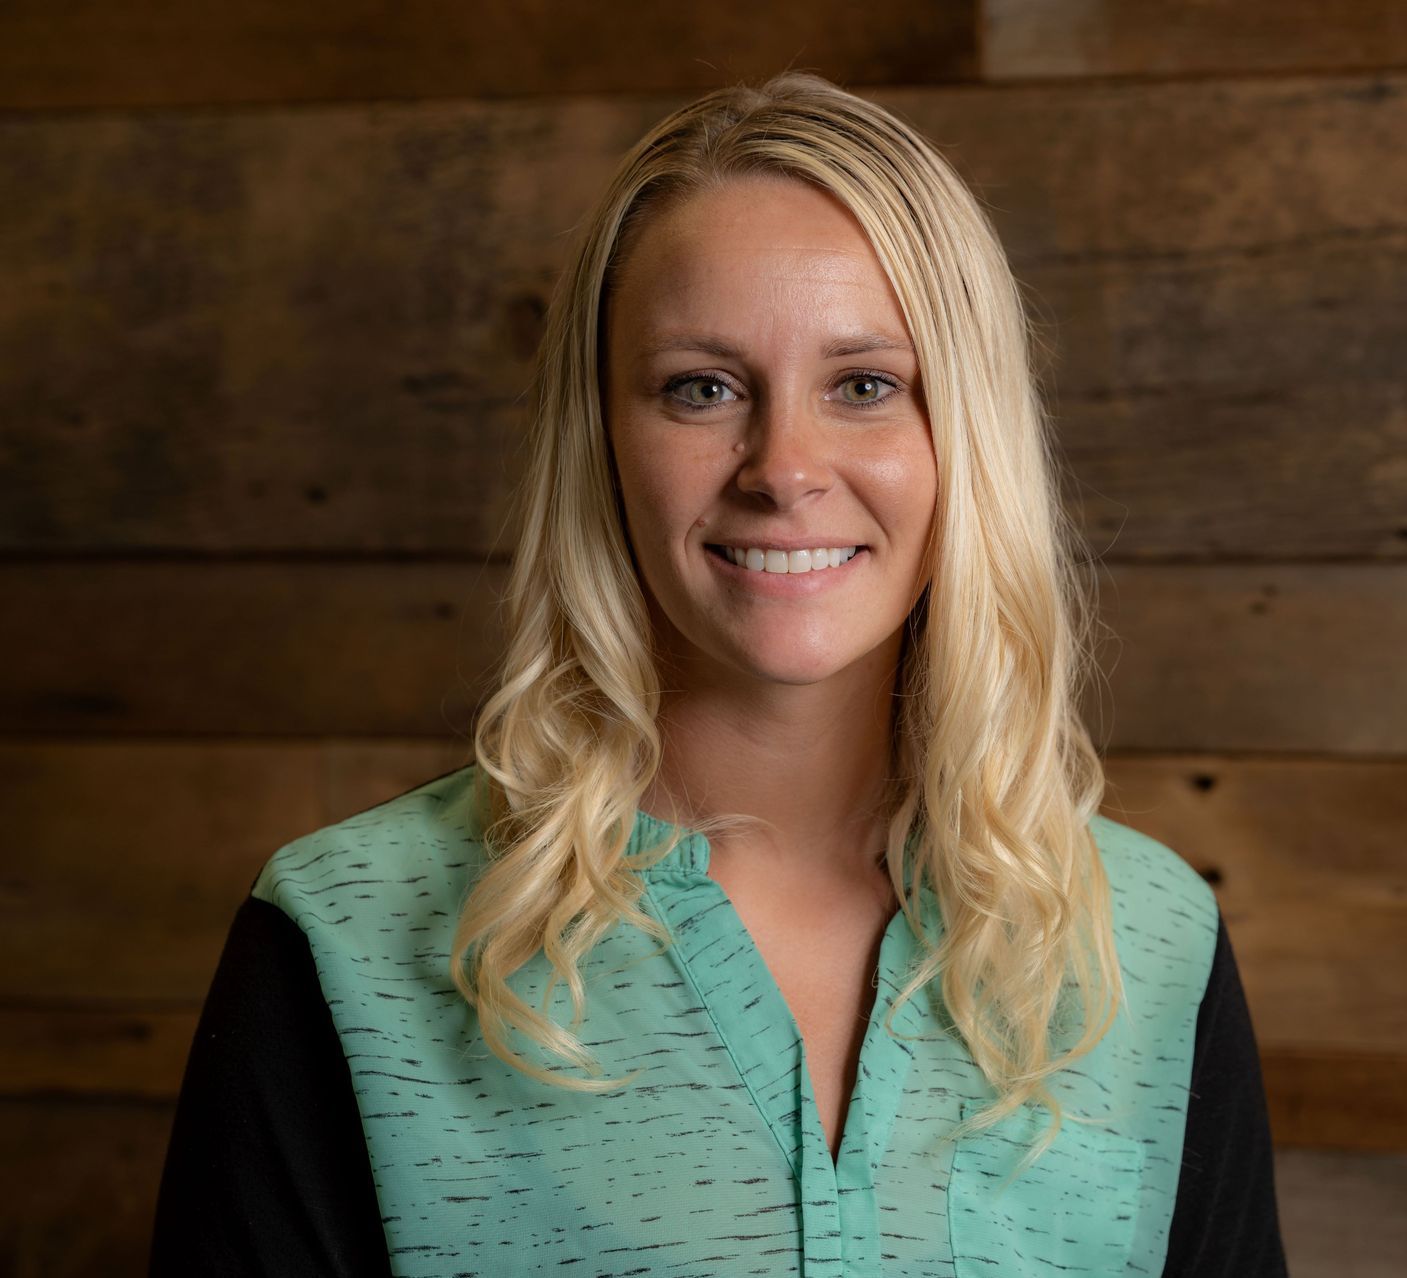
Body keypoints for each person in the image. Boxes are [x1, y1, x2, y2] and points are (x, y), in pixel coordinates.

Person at [149, 71, 1288, 1276]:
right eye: (702, 388)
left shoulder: (1144, 946)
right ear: (602, 440)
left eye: (866, 385)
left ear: (968, 435)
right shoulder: (350, 942)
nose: (783, 467)